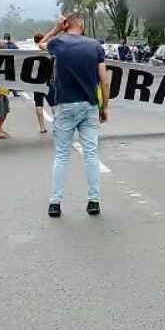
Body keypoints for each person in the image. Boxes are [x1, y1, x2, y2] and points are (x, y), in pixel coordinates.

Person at [39, 12, 110, 217]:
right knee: (91, 154)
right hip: (89, 106)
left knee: (61, 154)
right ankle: (94, 201)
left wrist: (56, 29)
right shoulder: (95, 46)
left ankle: (55, 203)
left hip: (65, 106)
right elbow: (104, 80)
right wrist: (105, 107)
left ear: (66, 24)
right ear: (83, 25)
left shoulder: (59, 43)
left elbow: (41, 43)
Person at [32, 32, 55, 133]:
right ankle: (58, 124)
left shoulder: (31, 51)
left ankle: (42, 127)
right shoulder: (48, 50)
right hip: (46, 80)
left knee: (38, 103)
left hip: (35, 81)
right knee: (53, 103)